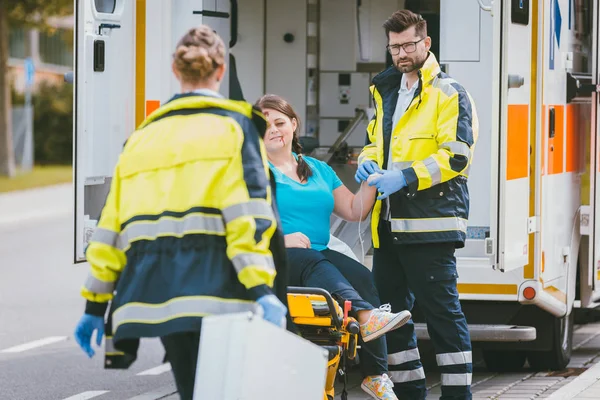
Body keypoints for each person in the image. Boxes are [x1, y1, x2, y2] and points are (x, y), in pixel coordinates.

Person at [73, 26, 289, 400]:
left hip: (159, 297)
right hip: (224, 293)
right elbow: (250, 217)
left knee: (193, 392)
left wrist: (95, 304)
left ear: (176, 70)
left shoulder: (141, 137)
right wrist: (264, 290)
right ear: (221, 70)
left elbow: (111, 227)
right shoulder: (235, 127)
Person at [355, 10, 479, 400]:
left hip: (432, 224)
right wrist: (366, 161)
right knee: (394, 319)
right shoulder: (386, 90)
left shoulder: (449, 91)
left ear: (426, 43)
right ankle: (411, 394)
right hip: (387, 224)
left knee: (442, 314)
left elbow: (457, 154)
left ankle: (458, 396)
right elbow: (376, 142)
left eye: (408, 44)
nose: (401, 53)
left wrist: (404, 176)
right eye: (394, 47)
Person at [256, 94, 412, 400]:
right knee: (319, 264)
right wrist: (279, 238)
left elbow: (355, 210)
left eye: (279, 122)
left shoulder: (317, 169)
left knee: (364, 277)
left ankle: (376, 375)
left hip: (315, 253)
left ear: (293, 124)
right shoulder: (255, 170)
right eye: (265, 125)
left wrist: (371, 176)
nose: (274, 129)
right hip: (277, 255)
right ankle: (367, 317)